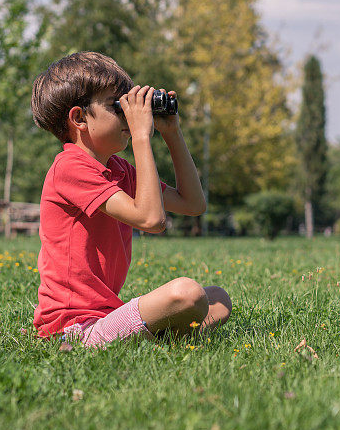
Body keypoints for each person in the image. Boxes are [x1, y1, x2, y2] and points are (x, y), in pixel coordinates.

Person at [30, 51, 231, 347]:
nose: (129, 114)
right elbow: (152, 219)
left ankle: (152, 339)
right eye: (117, 106)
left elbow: (192, 204)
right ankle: (142, 339)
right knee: (187, 293)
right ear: (79, 118)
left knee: (218, 299)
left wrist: (172, 133)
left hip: (106, 314)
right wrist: (140, 136)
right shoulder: (69, 167)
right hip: (73, 325)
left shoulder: (118, 169)